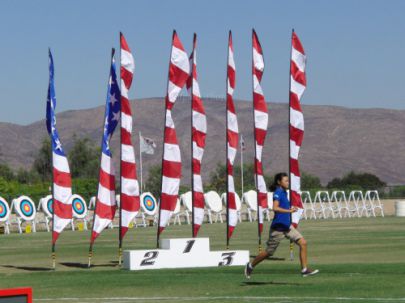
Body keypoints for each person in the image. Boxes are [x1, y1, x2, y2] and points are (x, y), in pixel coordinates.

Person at [244, 172, 319, 278]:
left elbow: (284, 206)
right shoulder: (278, 192)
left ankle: (304, 269)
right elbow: (275, 208)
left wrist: (291, 208)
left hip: (287, 226)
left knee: (303, 243)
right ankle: (250, 265)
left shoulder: (284, 192)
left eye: (288, 180)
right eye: (286, 181)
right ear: (279, 182)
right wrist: (289, 211)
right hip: (278, 228)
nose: (288, 182)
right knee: (269, 252)